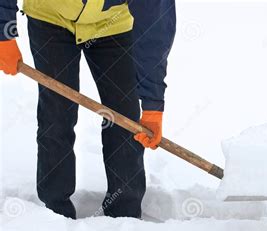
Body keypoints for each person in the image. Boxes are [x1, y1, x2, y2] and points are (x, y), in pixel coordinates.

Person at [0, 0, 176, 219]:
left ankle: (124, 214)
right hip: (50, 17)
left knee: (124, 119)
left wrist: (152, 105)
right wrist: (3, 32)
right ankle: (54, 213)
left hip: (112, 24)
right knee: (56, 115)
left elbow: (154, 26)